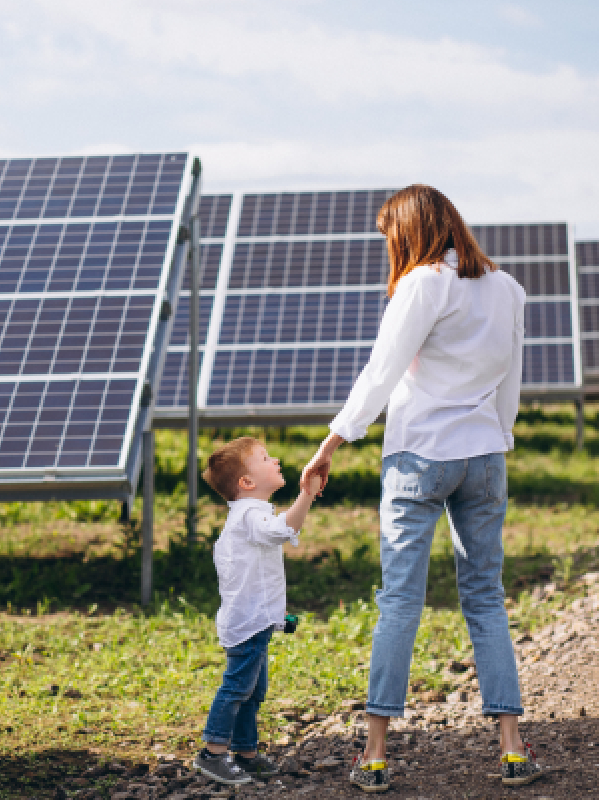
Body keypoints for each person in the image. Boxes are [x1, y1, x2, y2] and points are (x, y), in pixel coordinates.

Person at [301, 185, 541, 793]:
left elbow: (382, 370)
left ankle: (375, 755)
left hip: (419, 456)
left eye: (391, 238)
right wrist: (499, 435)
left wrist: (331, 444)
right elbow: (510, 378)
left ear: (409, 232)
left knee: (400, 602)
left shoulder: (423, 283)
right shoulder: (508, 288)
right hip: (485, 455)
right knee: (486, 597)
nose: (391, 249)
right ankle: (513, 747)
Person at [194, 436, 322, 785]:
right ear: (246, 483)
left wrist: (278, 619)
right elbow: (283, 531)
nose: (275, 460)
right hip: (247, 625)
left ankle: (246, 753)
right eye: (265, 458)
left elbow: (257, 576)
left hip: (257, 623)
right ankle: (213, 753)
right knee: (237, 688)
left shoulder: (251, 514)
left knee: (253, 691)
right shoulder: (249, 515)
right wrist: (307, 494)